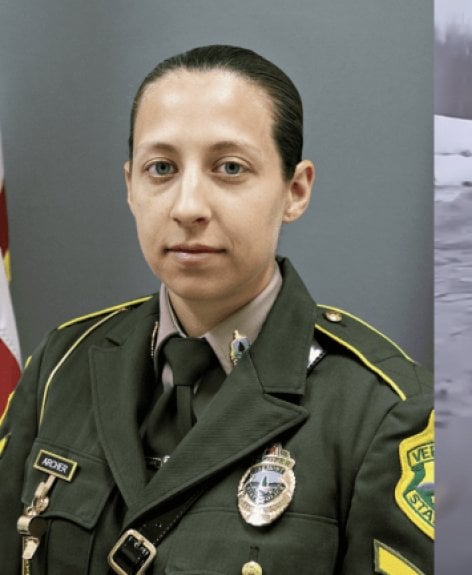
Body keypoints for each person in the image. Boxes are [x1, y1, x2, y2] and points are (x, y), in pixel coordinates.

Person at [0, 45, 433, 575]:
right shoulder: (61, 366)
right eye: (160, 168)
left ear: (295, 191)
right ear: (130, 187)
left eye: (230, 168)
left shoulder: (382, 411)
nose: (187, 208)